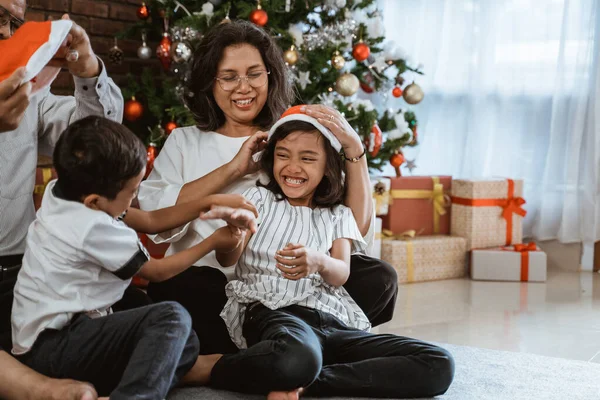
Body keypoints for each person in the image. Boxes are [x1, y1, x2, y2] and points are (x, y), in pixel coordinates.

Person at [138, 19, 398, 356]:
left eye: (254, 74)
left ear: (270, 76)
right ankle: (298, 347)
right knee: (182, 287)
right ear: (210, 83)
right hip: (216, 284)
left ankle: (281, 350)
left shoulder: (292, 136)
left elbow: (350, 227)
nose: (243, 87)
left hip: (295, 286)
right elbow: (157, 217)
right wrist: (234, 169)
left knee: (379, 278)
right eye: (229, 77)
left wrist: (355, 152)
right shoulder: (185, 140)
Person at [206, 108, 455, 399]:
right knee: (295, 354)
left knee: (439, 364)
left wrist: (319, 261)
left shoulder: (337, 214)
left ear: (327, 167)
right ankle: (213, 368)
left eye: (308, 158)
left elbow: (341, 274)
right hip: (277, 315)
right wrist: (234, 235)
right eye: (283, 155)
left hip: (334, 323)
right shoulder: (258, 199)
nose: (293, 167)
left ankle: (309, 381)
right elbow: (227, 260)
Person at [10, 116, 258, 399]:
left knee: (183, 341)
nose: (136, 197)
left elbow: (151, 220)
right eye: (132, 192)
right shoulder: (93, 227)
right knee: (172, 317)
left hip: (45, 335)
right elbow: (158, 271)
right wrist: (213, 241)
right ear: (95, 201)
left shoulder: (66, 191)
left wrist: (211, 202)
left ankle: (118, 383)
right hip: (54, 348)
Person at [0, 1, 122, 397]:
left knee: (127, 316)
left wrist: (88, 74)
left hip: (18, 274)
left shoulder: (29, 91)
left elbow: (95, 142)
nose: (6, 33)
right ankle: (39, 389)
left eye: (14, 22)